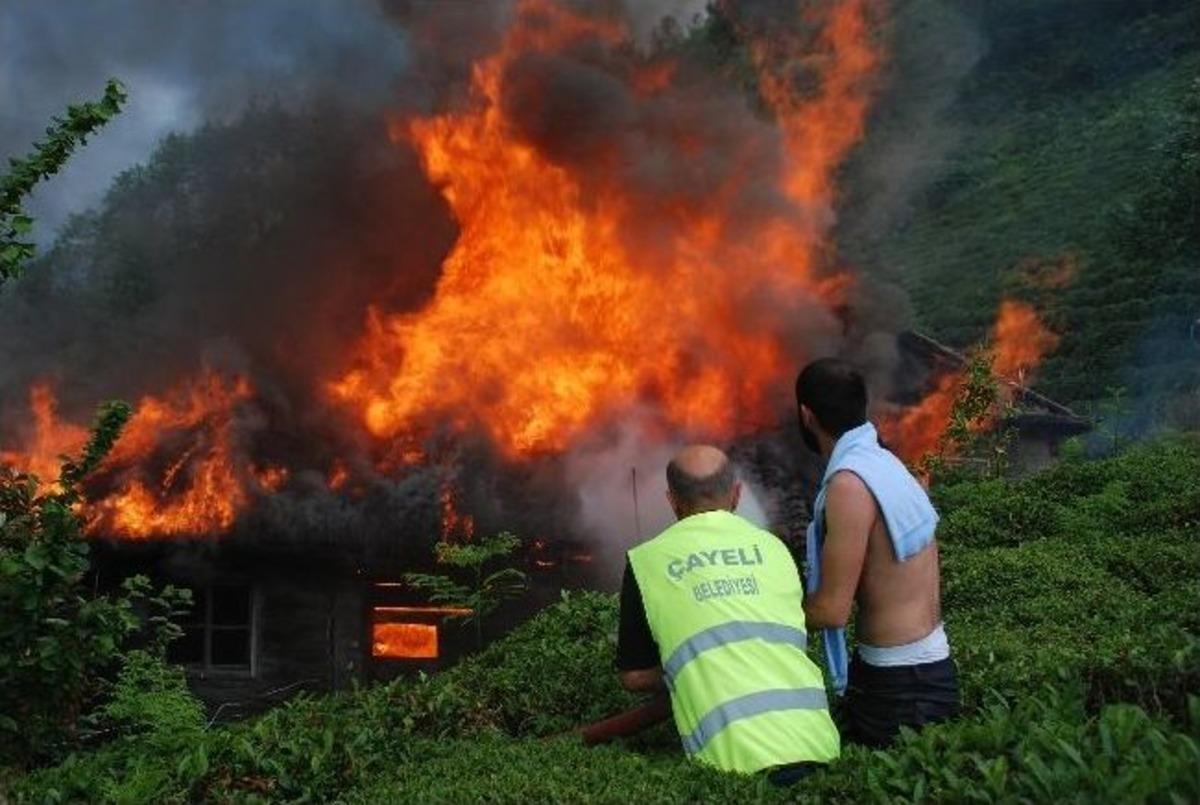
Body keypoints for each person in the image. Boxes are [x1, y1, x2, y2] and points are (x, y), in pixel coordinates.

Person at [615, 445, 840, 782]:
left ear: (672, 501)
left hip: (735, 767)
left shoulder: (647, 562)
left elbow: (633, 676)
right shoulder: (775, 549)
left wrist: (693, 667)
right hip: (822, 751)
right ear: (736, 495)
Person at [796, 358, 959, 747]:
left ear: (806, 415)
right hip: (931, 668)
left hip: (900, 686)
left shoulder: (850, 484)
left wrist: (759, 619)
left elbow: (832, 610)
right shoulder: (886, 464)